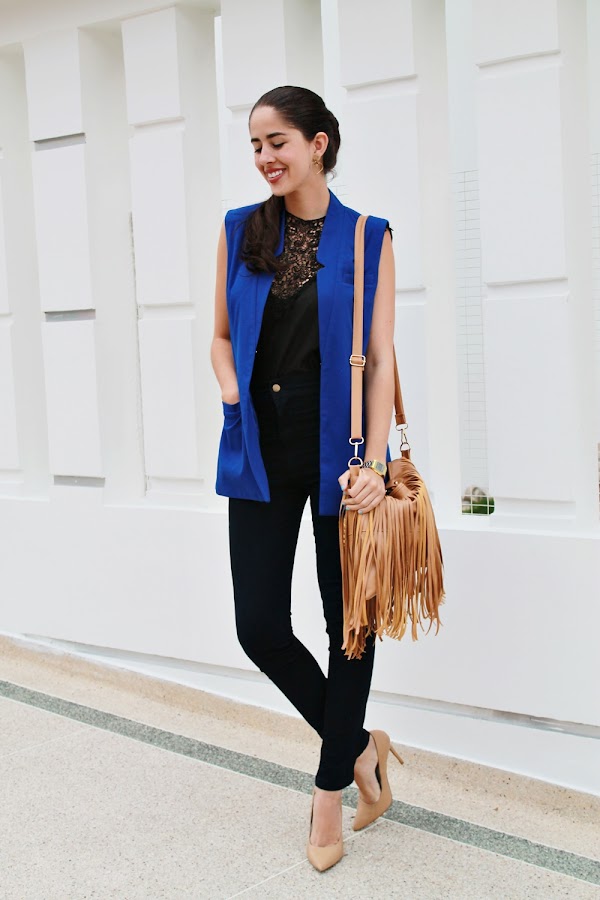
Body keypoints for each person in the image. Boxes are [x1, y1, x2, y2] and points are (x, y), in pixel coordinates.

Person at [210, 85, 402, 872]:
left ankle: (330, 796)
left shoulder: (367, 236)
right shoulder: (239, 229)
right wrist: (231, 393)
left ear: (318, 143)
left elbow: (381, 360)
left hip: (340, 454)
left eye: (278, 142)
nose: (265, 157)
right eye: (256, 145)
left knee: (348, 626)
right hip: (258, 445)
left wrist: (376, 465)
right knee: (258, 626)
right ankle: (359, 747)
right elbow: (221, 336)